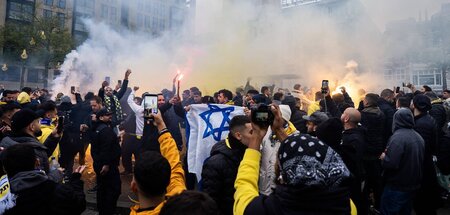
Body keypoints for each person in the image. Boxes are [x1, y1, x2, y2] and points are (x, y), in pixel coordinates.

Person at [234, 105, 353, 215]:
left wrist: (256, 135)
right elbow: (299, 153)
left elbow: (245, 184)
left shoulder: (260, 210)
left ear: (284, 177)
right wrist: (279, 129)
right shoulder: (346, 206)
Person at [2, 143, 86, 215]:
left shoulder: (4, 195)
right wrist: (76, 180)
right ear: (37, 162)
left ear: (5, 169)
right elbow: (78, 204)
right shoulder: (55, 190)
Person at [129, 109, 186, 215]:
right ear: (169, 182)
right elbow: (173, 161)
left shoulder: (179, 191)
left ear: (133, 186)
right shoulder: (179, 196)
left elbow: (173, 165)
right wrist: (161, 124)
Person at [201, 115, 253, 215]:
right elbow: (210, 201)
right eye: (251, 132)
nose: (256, 135)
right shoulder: (216, 163)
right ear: (238, 135)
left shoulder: (251, 153)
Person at [380, 108, 425, 215]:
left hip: (397, 186)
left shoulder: (398, 138)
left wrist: (383, 157)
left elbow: (391, 163)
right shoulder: (418, 136)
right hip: (412, 184)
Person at [0, 109, 61, 181]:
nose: (40, 125)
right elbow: (38, 181)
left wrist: (53, 138)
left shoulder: (7, 142)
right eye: (38, 122)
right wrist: (57, 174)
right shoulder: (30, 149)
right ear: (32, 126)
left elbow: (41, 154)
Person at [411, 95, 442, 215]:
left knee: (423, 203)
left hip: (423, 167)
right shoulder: (427, 118)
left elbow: (420, 148)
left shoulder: (421, 124)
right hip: (426, 164)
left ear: (415, 105)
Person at [91, 108, 122, 215]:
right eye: (107, 115)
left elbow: (96, 148)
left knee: (102, 189)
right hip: (108, 166)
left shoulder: (97, 128)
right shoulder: (106, 131)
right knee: (113, 189)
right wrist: (106, 164)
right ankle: (108, 211)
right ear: (101, 117)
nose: (110, 116)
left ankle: (103, 211)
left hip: (99, 164)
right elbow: (106, 148)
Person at [340, 108, 367, 214]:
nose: (341, 115)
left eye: (343, 113)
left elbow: (352, 161)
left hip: (353, 180)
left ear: (346, 119)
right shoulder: (355, 133)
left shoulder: (354, 139)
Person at [123, 86, 145, 174]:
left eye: (136, 100)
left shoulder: (138, 110)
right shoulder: (134, 110)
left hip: (137, 137)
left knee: (138, 155)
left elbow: (130, 101)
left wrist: (133, 91)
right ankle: (128, 170)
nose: (134, 102)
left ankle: (138, 171)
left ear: (140, 102)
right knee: (126, 154)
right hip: (129, 135)